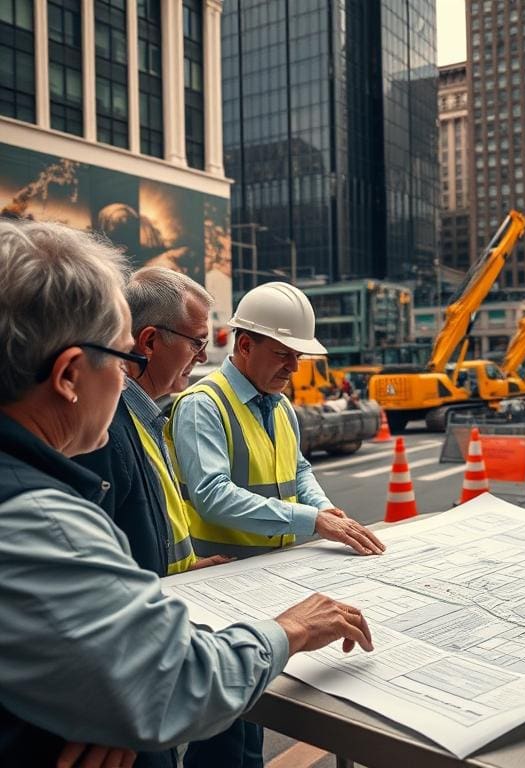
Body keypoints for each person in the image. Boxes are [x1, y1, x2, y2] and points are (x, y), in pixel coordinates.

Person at [0, 220, 374, 766]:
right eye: (122, 354)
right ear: (69, 375)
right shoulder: (39, 518)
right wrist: (289, 630)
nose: (128, 375)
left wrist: (111, 692)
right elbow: (171, 680)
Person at [73, 268, 252, 768]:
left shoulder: (149, 416)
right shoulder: (104, 431)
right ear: (148, 341)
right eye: (197, 344)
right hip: (131, 676)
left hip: (158, 639)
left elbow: (136, 536)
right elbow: (89, 582)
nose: (202, 359)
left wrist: (183, 571)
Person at [169, 281, 385, 560]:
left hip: (278, 564)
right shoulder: (203, 405)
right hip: (221, 572)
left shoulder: (281, 404)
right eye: (283, 354)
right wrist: (313, 520)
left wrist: (323, 508)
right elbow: (212, 495)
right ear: (245, 345)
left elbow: (298, 470)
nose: (294, 367)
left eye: (298, 356)